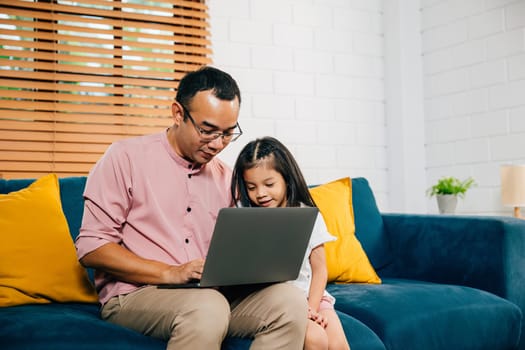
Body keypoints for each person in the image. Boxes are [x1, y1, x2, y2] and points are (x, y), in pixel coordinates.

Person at [75, 67, 308, 350]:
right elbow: (91, 247)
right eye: (207, 131)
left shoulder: (228, 178)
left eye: (227, 134)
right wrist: (170, 272)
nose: (217, 144)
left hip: (213, 295)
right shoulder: (125, 157)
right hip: (138, 295)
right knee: (207, 306)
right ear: (177, 113)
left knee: (290, 302)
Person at [231, 136, 351, 350]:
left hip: (312, 298)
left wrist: (311, 310)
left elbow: (320, 269)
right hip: (278, 303)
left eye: (269, 184)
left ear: (286, 179)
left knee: (338, 344)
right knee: (316, 339)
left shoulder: (306, 214)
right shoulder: (244, 217)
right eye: (251, 187)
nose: (260, 194)